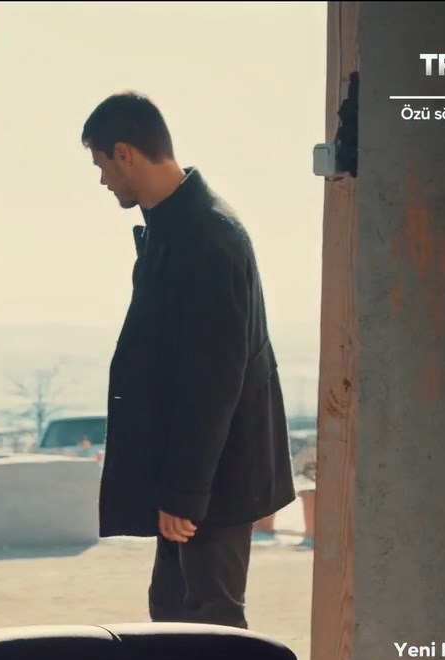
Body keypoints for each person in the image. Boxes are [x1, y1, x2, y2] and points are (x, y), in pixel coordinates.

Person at [80, 92, 295, 629]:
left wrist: (184, 494)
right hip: (193, 476)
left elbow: (214, 379)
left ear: (125, 153)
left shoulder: (207, 236)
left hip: (215, 480)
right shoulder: (176, 226)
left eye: (102, 164)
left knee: (211, 625)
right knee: (174, 616)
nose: (102, 180)